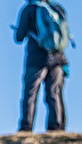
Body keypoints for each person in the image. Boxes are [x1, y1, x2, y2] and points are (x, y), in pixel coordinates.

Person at [15, 0, 70, 132]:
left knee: (30, 93)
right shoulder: (57, 9)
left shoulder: (29, 9)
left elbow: (19, 37)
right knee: (54, 93)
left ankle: (26, 128)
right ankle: (57, 128)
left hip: (36, 59)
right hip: (58, 59)